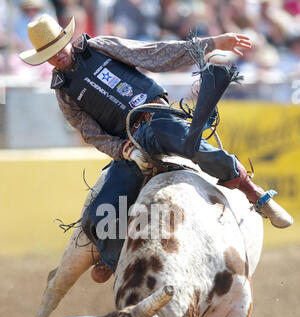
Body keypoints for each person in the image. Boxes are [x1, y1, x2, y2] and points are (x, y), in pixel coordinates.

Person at [19, 14, 293, 282]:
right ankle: (117, 264)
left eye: (58, 46)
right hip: (131, 145)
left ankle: (253, 193)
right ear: (43, 59)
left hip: (158, 118)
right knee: (100, 210)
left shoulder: (98, 46)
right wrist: (125, 151)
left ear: (66, 39)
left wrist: (213, 42)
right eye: (49, 53)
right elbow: (91, 133)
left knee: (193, 145)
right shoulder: (64, 92)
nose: (57, 56)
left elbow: (153, 53)